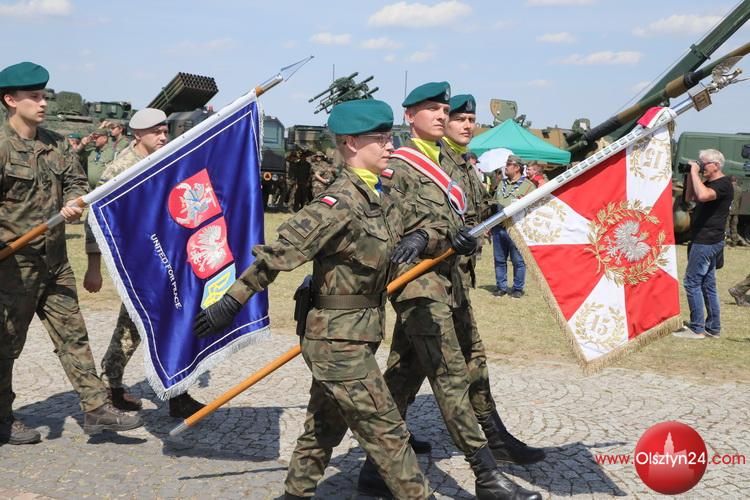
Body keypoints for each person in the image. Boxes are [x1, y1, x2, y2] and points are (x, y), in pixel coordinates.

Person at [193, 99, 431, 499]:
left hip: (361, 332)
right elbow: (278, 255)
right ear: (351, 143)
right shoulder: (336, 205)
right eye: (380, 138)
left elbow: (424, 226)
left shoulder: (382, 196)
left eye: (390, 136)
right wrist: (232, 302)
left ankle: (295, 493)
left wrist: (425, 236)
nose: (390, 145)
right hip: (335, 340)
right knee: (387, 431)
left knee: (324, 423)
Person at [360, 82, 541, 500]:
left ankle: (377, 464)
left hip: (451, 281)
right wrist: (431, 237)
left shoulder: (449, 162)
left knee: (407, 371)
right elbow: (389, 230)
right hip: (418, 286)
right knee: (450, 374)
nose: (443, 116)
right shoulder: (399, 166)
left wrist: (465, 235)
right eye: (433, 109)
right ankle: (487, 475)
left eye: (446, 109)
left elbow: (464, 219)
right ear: (410, 117)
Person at [0, 61, 142, 444]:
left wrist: (75, 201)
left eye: (43, 95)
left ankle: (96, 409)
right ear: (10, 100)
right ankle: (1, 417)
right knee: (6, 344)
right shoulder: (1, 146)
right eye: (33, 96)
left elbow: (77, 181)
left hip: (54, 261)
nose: (42, 103)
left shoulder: (57, 143)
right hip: (13, 265)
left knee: (73, 335)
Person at [440, 94, 545, 465]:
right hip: (432, 286)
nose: (468, 125)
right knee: (458, 362)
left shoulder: (467, 166)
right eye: (460, 119)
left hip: (456, 282)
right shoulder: (436, 164)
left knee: (454, 361)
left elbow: (480, 211)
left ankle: (494, 437)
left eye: (471, 119)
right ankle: (380, 455)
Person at [83, 108, 206, 418]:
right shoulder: (119, 170)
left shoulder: (166, 161)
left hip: (168, 257)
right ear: (138, 134)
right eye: (156, 132)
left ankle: (176, 390)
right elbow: (95, 219)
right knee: (134, 325)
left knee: (174, 320)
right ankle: (110, 386)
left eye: (165, 131)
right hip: (136, 262)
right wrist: (93, 266)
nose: (163, 136)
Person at [673, 149, 733, 340]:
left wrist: (693, 171)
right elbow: (691, 197)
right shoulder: (710, 183)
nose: (700, 167)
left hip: (707, 240)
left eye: (703, 163)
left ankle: (697, 328)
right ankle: (713, 328)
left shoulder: (723, 184)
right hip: (706, 239)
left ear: (716, 165)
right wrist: (691, 175)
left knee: (692, 282)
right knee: (708, 285)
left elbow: (704, 196)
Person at [492, 153, 535, 298]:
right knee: (499, 259)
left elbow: (533, 208)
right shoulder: (501, 183)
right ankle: (501, 287)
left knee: (517, 260)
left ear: (517, 168)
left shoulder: (528, 186)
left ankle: (517, 288)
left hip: (516, 228)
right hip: (498, 226)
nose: (506, 167)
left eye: (508, 164)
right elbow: (494, 202)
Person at [725, 176, 746, 246]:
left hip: (728, 210)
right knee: (734, 226)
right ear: (736, 180)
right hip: (736, 210)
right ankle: (734, 241)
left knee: (726, 226)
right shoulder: (740, 189)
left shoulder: (728, 188)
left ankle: (724, 240)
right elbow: (740, 201)